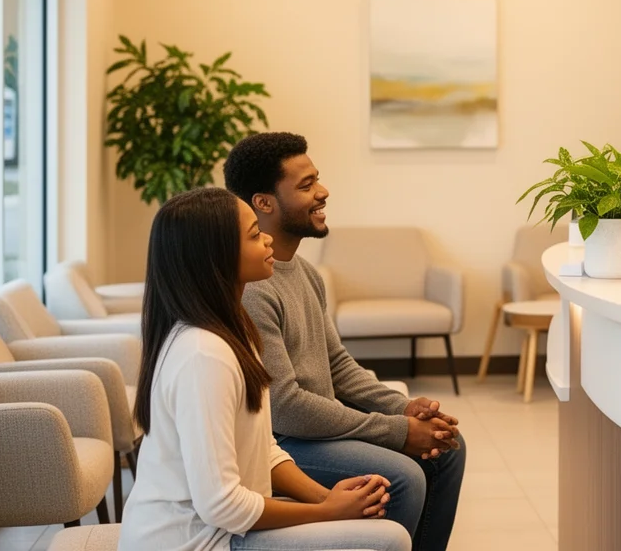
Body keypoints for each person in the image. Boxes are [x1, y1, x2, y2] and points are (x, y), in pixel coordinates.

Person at [121, 187, 410, 551]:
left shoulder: (234, 328)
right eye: (255, 234)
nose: (268, 239)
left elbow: (263, 447)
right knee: (389, 540)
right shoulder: (203, 354)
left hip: (225, 528)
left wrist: (324, 498)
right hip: (198, 541)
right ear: (218, 256)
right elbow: (222, 506)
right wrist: (328, 513)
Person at [224, 132, 465, 551]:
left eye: (317, 179)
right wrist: (396, 431)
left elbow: (338, 365)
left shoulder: (304, 273)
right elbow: (285, 408)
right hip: (285, 442)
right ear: (264, 203)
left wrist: (403, 408)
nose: (323, 192)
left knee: (447, 448)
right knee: (402, 477)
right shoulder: (255, 289)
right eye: (306, 185)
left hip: (315, 430)